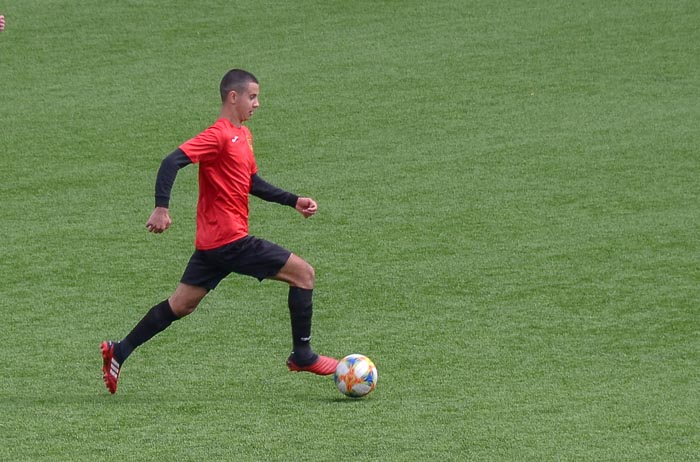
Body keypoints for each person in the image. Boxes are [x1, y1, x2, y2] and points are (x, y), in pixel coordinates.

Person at [101, 69, 338, 394]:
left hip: (212, 246)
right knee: (304, 274)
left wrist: (292, 200)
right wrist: (161, 207)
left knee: (180, 305)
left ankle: (119, 351)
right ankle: (303, 354)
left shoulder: (244, 137)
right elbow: (172, 162)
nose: (257, 103)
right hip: (231, 241)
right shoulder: (219, 135)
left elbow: (250, 181)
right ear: (233, 97)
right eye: (252, 97)